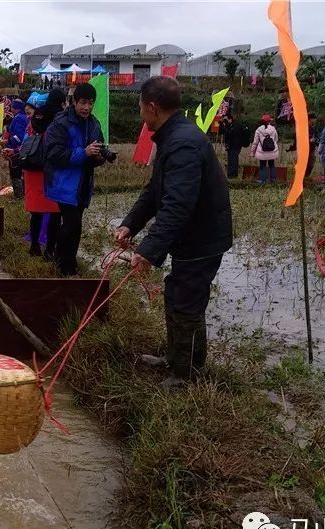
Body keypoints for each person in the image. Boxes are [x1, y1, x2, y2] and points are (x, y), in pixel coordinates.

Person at [113, 76, 233, 386]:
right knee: (179, 297)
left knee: (186, 303)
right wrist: (130, 223)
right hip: (193, 237)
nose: (140, 113)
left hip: (202, 238)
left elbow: (177, 205)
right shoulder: (174, 137)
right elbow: (156, 191)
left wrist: (147, 252)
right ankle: (177, 359)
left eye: (141, 106)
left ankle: (186, 375)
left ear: (152, 107)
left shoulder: (182, 143)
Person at [44, 82, 110, 276]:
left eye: (90, 103)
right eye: (82, 103)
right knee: (71, 224)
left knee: (76, 225)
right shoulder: (61, 123)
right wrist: (83, 153)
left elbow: (95, 151)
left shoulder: (94, 123)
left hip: (83, 183)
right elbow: (54, 153)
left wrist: (100, 157)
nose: (86, 107)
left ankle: (69, 264)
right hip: (64, 183)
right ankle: (60, 261)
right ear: (74, 101)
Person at [22, 89, 64, 259]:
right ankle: (50, 250)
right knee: (55, 212)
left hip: (32, 169)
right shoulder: (59, 121)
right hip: (51, 171)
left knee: (36, 212)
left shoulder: (34, 120)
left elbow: (26, 141)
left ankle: (34, 247)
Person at [3, 99, 28, 199]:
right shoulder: (22, 117)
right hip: (18, 150)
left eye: (12, 107)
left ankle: (19, 197)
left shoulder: (19, 119)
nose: (10, 108)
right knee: (19, 173)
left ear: (15, 108)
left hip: (16, 151)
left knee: (15, 173)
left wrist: (8, 140)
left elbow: (20, 137)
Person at [286, 112, 318, 179]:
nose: (314, 121)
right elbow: (298, 138)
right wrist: (308, 140)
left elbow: (316, 136)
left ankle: (306, 177)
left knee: (311, 164)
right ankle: (301, 178)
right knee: (303, 164)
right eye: (313, 119)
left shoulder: (313, 128)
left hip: (312, 149)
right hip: (303, 149)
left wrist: (316, 141)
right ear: (309, 119)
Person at [219, 112, 250, 178]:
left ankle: (233, 174)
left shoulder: (236, 125)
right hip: (230, 145)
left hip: (235, 145)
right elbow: (223, 132)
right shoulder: (229, 125)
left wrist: (224, 127)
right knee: (230, 160)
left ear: (230, 119)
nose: (225, 121)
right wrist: (221, 125)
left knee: (233, 160)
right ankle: (230, 174)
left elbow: (231, 133)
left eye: (226, 120)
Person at [249, 114, 279, 184]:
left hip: (262, 151)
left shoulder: (258, 130)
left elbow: (255, 142)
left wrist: (252, 152)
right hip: (272, 151)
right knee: (272, 165)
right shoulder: (273, 129)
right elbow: (276, 139)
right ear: (269, 121)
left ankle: (262, 180)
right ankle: (273, 179)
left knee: (262, 166)